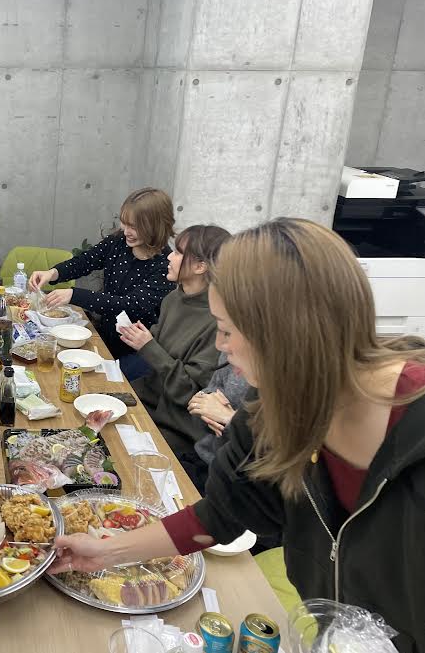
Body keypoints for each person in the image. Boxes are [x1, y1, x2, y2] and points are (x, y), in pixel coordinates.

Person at [50, 218, 425, 653]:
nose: (220, 346)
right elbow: (219, 516)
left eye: (227, 330)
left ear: (288, 329)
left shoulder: (412, 425)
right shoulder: (274, 408)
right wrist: (105, 551)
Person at [29, 188, 175, 362]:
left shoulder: (166, 265)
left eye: (134, 227)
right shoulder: (118, 242)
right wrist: (53, 273)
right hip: (105, 336)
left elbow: (131, 305)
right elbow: (85, 261)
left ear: (156, 226)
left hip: (137, 354)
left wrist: (74, 295)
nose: (126, 231)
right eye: (124, 223)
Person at [121, 224, 231, 456]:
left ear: (200, 266)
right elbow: (158, 352)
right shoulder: (173, 298)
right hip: (146, 400)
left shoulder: (217, 321)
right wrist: (141, 339)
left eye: (179, 253)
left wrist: (148, 346)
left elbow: (191, 394)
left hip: (177, 430)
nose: (169, 257)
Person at [182, 352, 250, 493]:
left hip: (241, 486)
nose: (220, 345)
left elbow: (274, 449)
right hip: (205, 459)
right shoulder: (232, 349)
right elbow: (209, 394)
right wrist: (204, 404)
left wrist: (231, 420)